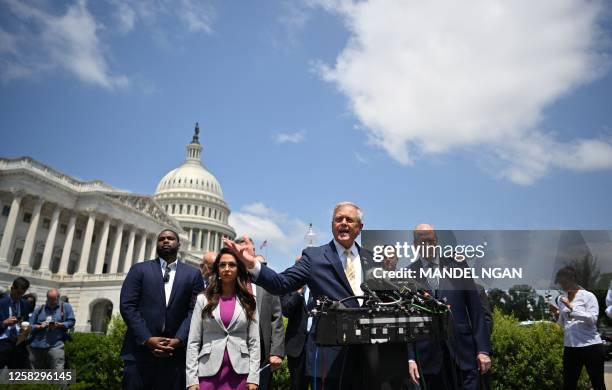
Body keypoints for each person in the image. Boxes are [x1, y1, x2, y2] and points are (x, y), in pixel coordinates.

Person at [225, 201, 376, 390]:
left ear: (360, 227)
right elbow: (281, 283)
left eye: (349, 219)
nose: (343, 223)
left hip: (369, 357)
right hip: (329, 360)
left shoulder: (372, 259)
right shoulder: (315, 257)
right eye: (338, 219)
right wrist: (252, 264)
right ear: (332, 225)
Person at [407, 224, 492, 390]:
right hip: (428, 358)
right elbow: (408, 320)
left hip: (464, 354)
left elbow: (476, 310)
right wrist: (411, 358)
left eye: (430, 241)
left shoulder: (458, 266)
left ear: (437, 242)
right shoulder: (408, 274)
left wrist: (483, 349)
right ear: (415, 245)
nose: (427, 246)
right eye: (422, 242)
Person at [120, 229, 204, 390]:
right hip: (139, 354)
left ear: (179, 244)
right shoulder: (139, 270)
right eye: (161, 239)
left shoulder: (193, 274)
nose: (166, 241)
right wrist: (147, 339)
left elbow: (195, 311)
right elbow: (127, 306)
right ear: (156, 243)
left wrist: (179, 340)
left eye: (171, 238)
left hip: (175, 356)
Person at [186, 247, 260, 390]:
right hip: (208, 372)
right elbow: (193, 341)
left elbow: (254, 342)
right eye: (222, 265)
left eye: (232, 265)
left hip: (240, 373)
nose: (227, 268)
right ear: (217, 269)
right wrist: (191, 379)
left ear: (238, 269)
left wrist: (254, 377)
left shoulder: (249, 301)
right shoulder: (203, 299)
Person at [234, 238, 285, 390]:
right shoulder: (226, 279)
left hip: (261, 353)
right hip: (232, 350)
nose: (244, 251)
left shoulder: (267, 279)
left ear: (254, 253)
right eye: (240, 248)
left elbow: (276, 318)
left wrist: (277, 352)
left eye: (247, 247)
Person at [549, 266, 606, 390]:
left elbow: (593, 319)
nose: (562, 286)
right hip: (570, 348)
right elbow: (563, 323)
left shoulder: (588, 296)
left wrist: (572, 308)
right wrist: (556, 315)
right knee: (569, 385)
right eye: (560, 283)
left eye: (564, 282)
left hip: (591, 346)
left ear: (573, 279)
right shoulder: (561, 299)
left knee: (598, 384)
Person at [280, 257, 309, 390]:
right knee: (298, 386)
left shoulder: (319, 284)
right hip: (297, 348)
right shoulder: (288, 284)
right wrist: (298, 293)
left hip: (318, 346)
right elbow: (286, 310)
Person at [29, 288, 75, 369]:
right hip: (37, 346)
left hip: (56, 344)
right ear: (47, 298)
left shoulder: (66, 307)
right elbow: (30, 326)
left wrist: (60, 325)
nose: (51, 302)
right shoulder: (39, 309)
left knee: (58, 371)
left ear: (58, 298)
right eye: (49, 299)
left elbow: (71, 321)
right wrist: (39, 326)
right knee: (36, 374)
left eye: (53, 300)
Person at [0, 277, 32, 369]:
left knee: (18, 375)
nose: (19, 296)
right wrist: (4, 323)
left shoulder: (25, 304)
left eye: (22, 293)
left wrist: (26, 329)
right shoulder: (1, 303)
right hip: (3, 342)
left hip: (18, 342)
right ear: (12, 288)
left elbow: (25, 321)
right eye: (18, 292)